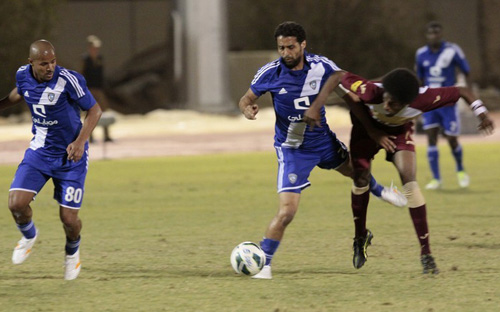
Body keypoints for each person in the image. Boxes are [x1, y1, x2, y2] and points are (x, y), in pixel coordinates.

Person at [238, 21, 407, 280]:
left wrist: (372, 130)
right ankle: (265, 264)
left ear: (303, 44)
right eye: (281, 48)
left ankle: (381, 190)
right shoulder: (269, 73)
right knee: (287, 212)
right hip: (292, 149)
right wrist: (247, 108)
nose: (285, 53)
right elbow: (246, 98)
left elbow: (349, 95)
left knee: (357, 173)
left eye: (290, 47)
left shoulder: (323, 67)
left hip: (323, 142)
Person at [305, 68, 494, 274]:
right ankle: (360, 237)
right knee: (361, 180)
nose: (386, 105)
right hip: (366, 130)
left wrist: (481, 113)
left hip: (398, 132)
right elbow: (338, 77)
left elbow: (462, 91)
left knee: (410, 182)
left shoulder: (425, 98)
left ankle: (426, 255)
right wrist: (316, 106)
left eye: (393, 103)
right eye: (386, 99)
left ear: (407, 102)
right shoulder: (371, 91)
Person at [0, 40, 102, 280]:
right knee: (15, 203)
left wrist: (80, 142)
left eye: (53, 62)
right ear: (31, 63)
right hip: (40, 152)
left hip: (70, 155)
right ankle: (28, 236)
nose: (50, 67)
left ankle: (71, 254)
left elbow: (94, 110)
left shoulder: (69, 79)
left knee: (68, 218)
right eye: (44, 63)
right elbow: (19, 93)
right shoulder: (23, 75)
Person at [415, 21, 471, 190]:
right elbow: (420, 79)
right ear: (427, 35)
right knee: (431, 138)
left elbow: (466, 70)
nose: (434, 36)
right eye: (431, 33)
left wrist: (468, 94)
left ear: (441, 34)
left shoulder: (452, 50)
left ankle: (460, 169)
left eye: (437, 33)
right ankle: (436, 179)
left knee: (452, 139)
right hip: (430, 102)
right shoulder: (421, 54)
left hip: (448, 102)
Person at [82, 35, 112, 142]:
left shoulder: (100, 59)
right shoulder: (85, 60)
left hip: (99, 90)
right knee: (90, 113)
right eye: (94, 48)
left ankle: (107, 135)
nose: (96, 50)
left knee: (104, 111)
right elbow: (83, 75)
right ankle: (89, 136)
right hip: (90, 89)